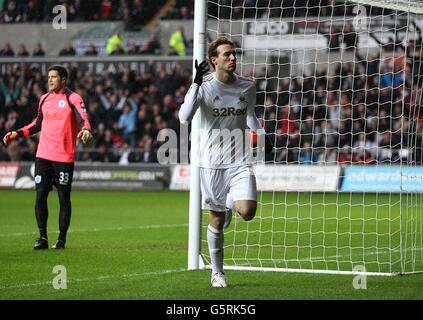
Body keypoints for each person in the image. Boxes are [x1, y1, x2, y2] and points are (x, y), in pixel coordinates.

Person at [179, 37, 272, 287]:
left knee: (248, 212)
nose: (233, 58)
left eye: (234, 54)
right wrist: (195, 84)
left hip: (240, 160)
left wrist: (262, 136)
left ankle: (230, 201)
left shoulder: (248, 86)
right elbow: (184, 117)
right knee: (217, 221)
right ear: (214, 60)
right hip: (211, 164)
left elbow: (250, 115)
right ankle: (217, 272)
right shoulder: (205, 86)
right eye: (227, 54)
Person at [2, 65, 93, 250]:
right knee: (40, 196)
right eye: (49, 76)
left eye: (54, 77)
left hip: (64, 157)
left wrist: (85, 130)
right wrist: (17, 133)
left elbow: (84, 119)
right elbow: (37, 124)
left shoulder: (73, 98)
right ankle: (42, 237)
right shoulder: (44, 98)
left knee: (63, 198)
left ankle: (61, 239)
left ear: (64, 80)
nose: (50, 80)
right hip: (43, 155)